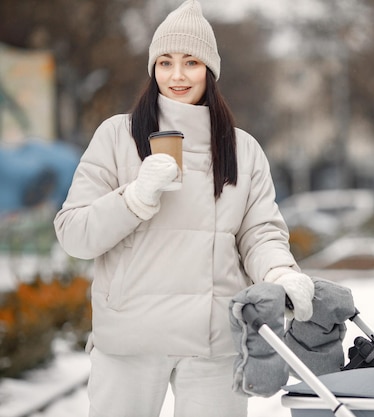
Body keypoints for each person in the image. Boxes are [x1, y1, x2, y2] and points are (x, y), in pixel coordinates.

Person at [53, 1, 314, 416]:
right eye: (166, 62)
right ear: (152, 67)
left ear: (209, 71)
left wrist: (279, 270)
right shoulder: (117, 136)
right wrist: (133, 199)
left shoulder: (242, 148)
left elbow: (259, 233)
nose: (177, 76)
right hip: (130, 337)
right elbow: (74, 235)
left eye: (191, 62)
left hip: (213, 343)